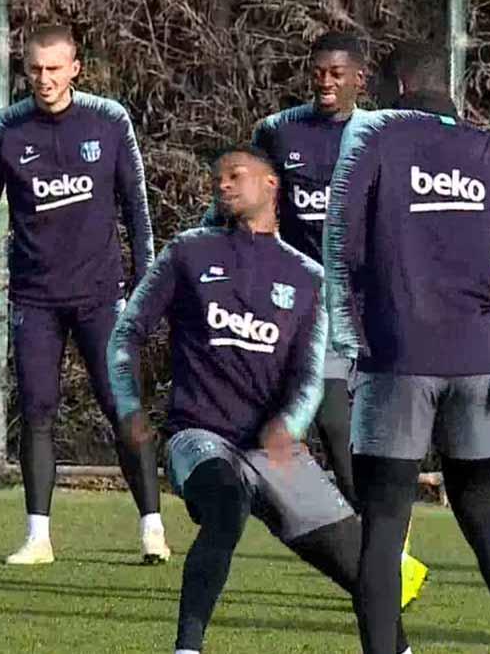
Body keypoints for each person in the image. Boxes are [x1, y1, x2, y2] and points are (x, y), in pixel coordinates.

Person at [109, 146, 422, 654]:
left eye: (236, 175)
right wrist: (129, 405)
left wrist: (289, 426)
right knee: (226, 509)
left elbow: (309, 374)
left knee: (370, 570)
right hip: (201, 437)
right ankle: (187, 647)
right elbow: (127, 333)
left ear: (272, 184)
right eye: (218, 179)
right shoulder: (187, 252)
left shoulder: (308, 277)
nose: (224, 185)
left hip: (275, 453)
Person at [324, 41, 490, 654]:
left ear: (398, 87)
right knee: (483, 515)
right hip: (477, 365)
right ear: (447, 87)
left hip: (395, 362)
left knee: (383, 527)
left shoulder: (373, 139)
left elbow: (337, 243)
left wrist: (349, 341)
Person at [202, 32, 429, 605]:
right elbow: (239, 198)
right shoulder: (280, 132)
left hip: (375, 311)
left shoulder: (384, 135)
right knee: (334, 426)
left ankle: (388, 552)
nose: (325, 83)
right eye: (318, 73)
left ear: (359, 77)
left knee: (370, 442)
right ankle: (382, 561)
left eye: (336, 73)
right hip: (309, 311)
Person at [0, 24, 168, 565]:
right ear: (25, 70)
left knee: (123, 407)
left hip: (102, 297)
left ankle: (152, 527)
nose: (45, 80)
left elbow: (136, 208)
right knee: (37, 411)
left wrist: (148, 282)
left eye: (55, 69)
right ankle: (38, 537)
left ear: (75, 68)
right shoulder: (5, 129)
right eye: (35, 70)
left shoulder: (109, 120)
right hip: (34, 299)